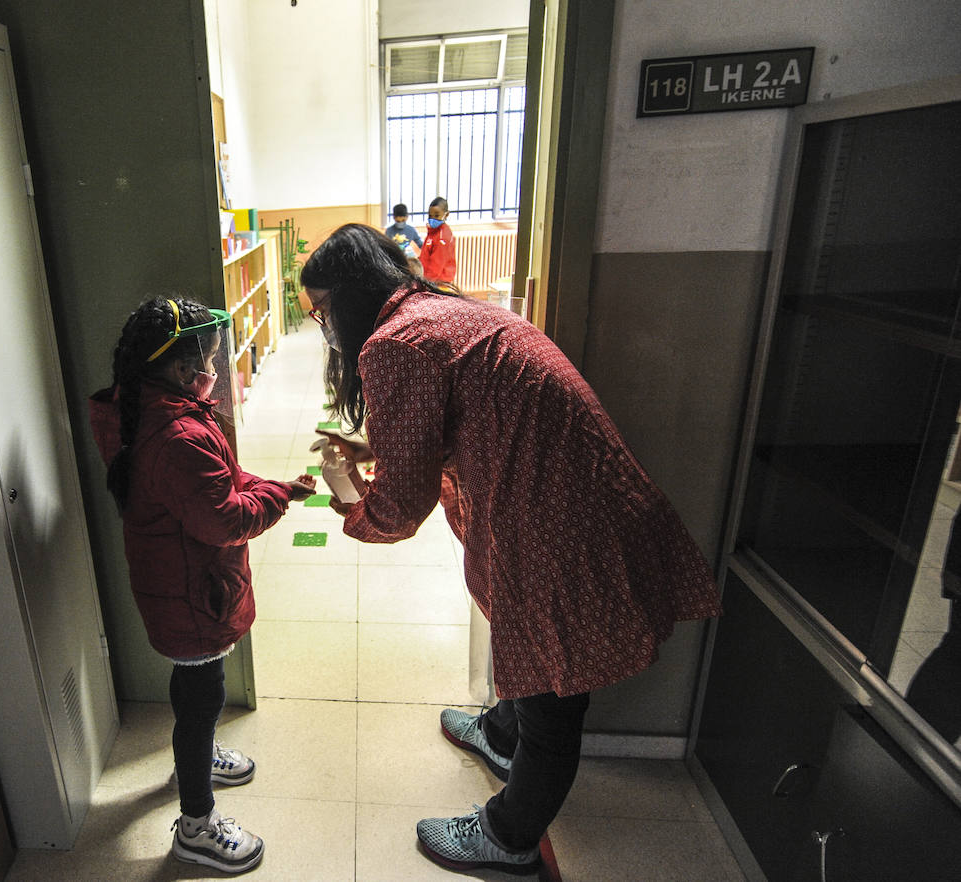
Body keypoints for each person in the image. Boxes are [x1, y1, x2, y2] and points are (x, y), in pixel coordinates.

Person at [300, 224, 722, 875]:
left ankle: (509, 835)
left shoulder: (393, 344)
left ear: (350, 298)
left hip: (555, 518)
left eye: (323, 309)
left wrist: (351, 502)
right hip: (573, 493)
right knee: (537, 654)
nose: (325, 326)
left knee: (555, 679)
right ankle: (502, 734)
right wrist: (372, 447)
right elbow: (442, 419)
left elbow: (400, 508)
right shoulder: (440, 310)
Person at [89, 296, 316, 874]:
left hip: (179, 581)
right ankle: (196, 825)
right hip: (192, 592)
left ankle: (200, 755)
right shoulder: (178, 435)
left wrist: (273, 484)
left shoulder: (151, 410)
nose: (214, 369)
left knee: (197, 693)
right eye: (207, 360)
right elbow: (225, 518)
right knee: (202, 698)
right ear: (177, 367)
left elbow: (221, 482)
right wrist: (281, 498)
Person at [419, 196, 457, 284]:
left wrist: (426, 283)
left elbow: (436, 265)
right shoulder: (433, 231)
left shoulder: (443, 237)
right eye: (430, 215)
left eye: (436, 215)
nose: (432, 219)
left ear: (446, 215)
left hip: (438, 281)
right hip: (428, 278)